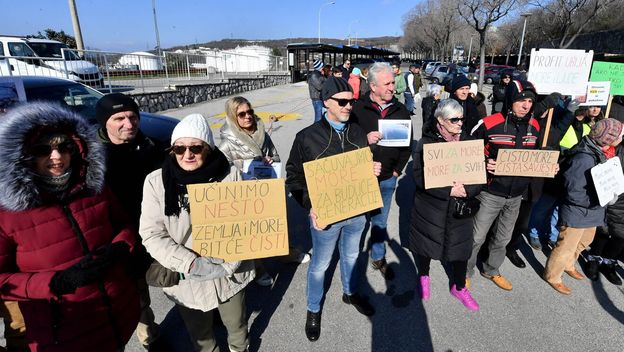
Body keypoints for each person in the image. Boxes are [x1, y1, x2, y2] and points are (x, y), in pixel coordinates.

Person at [0, 102, 140, 351]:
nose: (57, 157)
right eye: (43, 150)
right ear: (23, 155)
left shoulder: (93, 188)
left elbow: (123, 223)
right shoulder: (7, 213)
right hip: (63, 333)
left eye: (64, 147)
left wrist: (120, 247)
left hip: (117, 315)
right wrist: (56, 282)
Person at [139, 113, 254, 351]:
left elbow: (246, 222)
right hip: (187, 277)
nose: (187, 154)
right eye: (179, 149)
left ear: (208, 148)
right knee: (200, 334)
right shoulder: (155, 182)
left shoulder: (229, 175)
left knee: (237, 324)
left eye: (195, 147)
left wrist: (229, 265)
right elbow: (152, 235)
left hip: (229, 273)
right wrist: (190, 264)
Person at [286, 77, 380, 342]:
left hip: (357, 212)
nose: (349, 106)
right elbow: (293, 178)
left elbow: (362, 167)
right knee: (320, 265)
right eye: (342, 101)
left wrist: (371, 170)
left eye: (351, 101)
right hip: (326, 216)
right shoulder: (306, 137)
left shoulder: (358, 132)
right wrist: (310, 205)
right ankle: (313, 309)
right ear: (326, 102)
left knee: (351, 256)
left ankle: (350, 292)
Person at [94, 93, 165, 350]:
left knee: (178, 279)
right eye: (119, 118)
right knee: (138, 295)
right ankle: (150, 336)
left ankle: (202, 313)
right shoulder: (93, 159)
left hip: (160, 231)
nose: (128, 123)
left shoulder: (153, 147)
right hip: (123, 237)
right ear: (105, 122)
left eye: (133, 116)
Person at [219, 96, 310, 287]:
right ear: (232, 116)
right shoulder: (227, 143)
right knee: (253, 233)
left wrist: (270, 161)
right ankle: (258, 268)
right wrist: (244, 166)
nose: (248, 117)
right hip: (245, 195)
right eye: (241, 114)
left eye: (250, 111)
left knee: (275, 225)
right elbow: (222, 173)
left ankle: (286, 253)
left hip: (267, 189)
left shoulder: (262, 133)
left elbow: (275, 157)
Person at [467, 80, 543, 291]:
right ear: (511, 100)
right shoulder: (490, 123)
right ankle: (465, 271)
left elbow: (535, 157)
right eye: (521, 100)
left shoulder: (535, 126)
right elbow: (465, 152)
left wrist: (547, 167)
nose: (526, 106)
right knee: (477, 236)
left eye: (530, 101)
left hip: (516, 195)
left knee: (503, 237)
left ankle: (491, 269)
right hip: (490, 193)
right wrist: (483, 164)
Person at [410, 99, 482, 311]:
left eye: (461, 118)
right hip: (431, 209)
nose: (460, 123)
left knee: (460, 251)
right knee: (425, 245)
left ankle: (459, 287)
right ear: (440, 121)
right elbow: (418, 177)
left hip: (460, 212)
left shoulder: (468, 143)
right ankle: (423, 275)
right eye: (454, 119)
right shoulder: (426, 144)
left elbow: (480, 176)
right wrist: (447, 190)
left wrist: (467, 190)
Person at [544, 118, 624, 294]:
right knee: (566, 246)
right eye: (619, 134)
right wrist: (600, 198)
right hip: (579, 209)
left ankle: (568, 264)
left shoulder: (601, 151)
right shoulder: (584, 158)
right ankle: (553, 276)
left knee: (584, 241)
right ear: (608, 138)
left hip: (592, 210)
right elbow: (573, 191)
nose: (622, 137)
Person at [351, 62, 411, 281]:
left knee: (380, 222)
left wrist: (396, 170)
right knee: (356, 222)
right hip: (360, 179)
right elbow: (345, 142)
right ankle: (352, 260)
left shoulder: (401, 110)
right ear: (373, 86)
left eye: (393, 82)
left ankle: (378, 258)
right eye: (387, 83)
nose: (392, 87)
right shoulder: (357, 109)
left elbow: (406, 145)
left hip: (387, 179)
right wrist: (364, 140)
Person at [308, 59, 326, 123]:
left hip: (320, 98)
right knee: (318, 118)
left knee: (321, 116)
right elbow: (320, 87)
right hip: (316, 99)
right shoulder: (314, 75)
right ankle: (315, 130)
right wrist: (325, 81)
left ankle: (318, 129)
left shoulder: (319, 74)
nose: (323, 68)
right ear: (319, 67)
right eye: (322, 67)